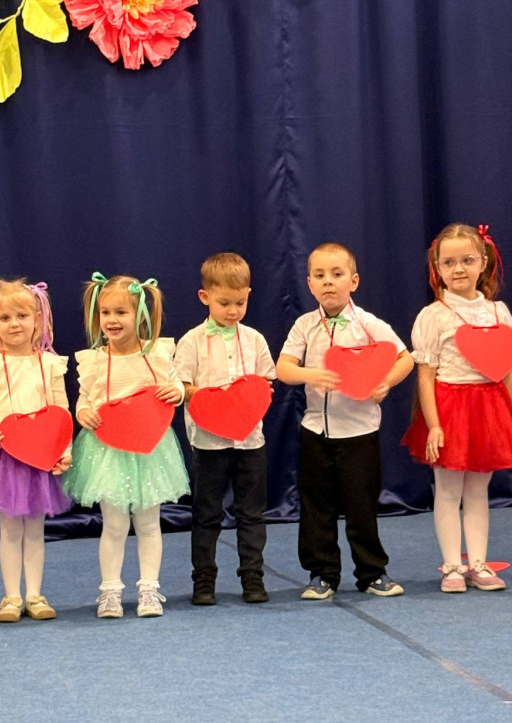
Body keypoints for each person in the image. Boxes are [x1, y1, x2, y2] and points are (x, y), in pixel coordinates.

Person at [276, 242, 414, 600]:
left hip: (359, 433)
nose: (328, 281)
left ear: (353, 281)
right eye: (319, 275)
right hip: (315, 432)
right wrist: (310, 375)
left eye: (337, 274)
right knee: (316, 507)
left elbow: (405, 358)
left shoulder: (368, 324)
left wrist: (385, 383)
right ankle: (322, 574)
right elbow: (283, 368)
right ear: (309, 283)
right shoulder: (305, 325)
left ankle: (372, 572)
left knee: (361, 506)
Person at [403, 224, 512, 592]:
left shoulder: (498, 312)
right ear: (437, 268)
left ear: (483, 262)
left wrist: (507, 419)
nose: (458, 269)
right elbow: (426, 376)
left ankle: (478, 563)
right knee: (447, 490)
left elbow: (506, 370)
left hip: (488, 409)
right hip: (449, 409)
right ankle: (452, 567)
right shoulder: (433, 316)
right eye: (449, 262)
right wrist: (434, 424)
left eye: (467, 260)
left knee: (477, 490)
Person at [64, 274, 188, 618]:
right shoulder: (94, 360)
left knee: (148, 523)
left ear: (140, 314)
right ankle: (110, 591)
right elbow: (85, 399)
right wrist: (83, 412)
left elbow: (174, 385)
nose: (112, 320)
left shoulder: (157, 353)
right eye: (105, 313)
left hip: (149, 448)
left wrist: (177, 392)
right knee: (115, 525)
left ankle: (149, 588)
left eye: (121, 312)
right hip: (107, 451)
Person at [174, 253, 277, 606]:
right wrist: (210, 397)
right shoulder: (191, 341)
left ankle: (252, 577)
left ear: (249, 295)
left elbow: (265, 382)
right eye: (224, 303)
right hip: (209, 443)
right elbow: (180, 386)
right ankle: (204, 581)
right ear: (205, 297)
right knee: (207, 513)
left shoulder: (255, 340)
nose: (233, 311)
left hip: (250, 442)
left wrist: (256, 394)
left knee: (252, 513)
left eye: (240, 303)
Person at [0, 279, 72, 622]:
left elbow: (61, 412)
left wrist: (64, 450)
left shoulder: (50, 364)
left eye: (22, 316)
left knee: (36, 530)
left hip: (40, 458)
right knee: (11, 529)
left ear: (38, 320)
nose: (14, 324)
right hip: (4, 459)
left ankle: (35, 595)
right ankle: (11, 596)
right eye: (5, 318)